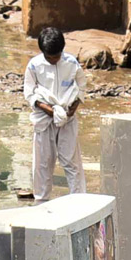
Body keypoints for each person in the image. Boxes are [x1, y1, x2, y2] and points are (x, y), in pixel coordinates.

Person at [24, 27, 86, 201]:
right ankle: (41, 202)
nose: (54, 60)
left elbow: (81, 86)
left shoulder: (71, 63)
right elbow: (29, 93)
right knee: (42, 163)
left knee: (72, 162)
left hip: (67, 118)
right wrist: (49, 110)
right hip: (44, 119)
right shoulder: (34, 66)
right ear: (43, 52)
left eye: (56, 56)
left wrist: (74, 106)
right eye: (49, 57)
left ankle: (79, 201)